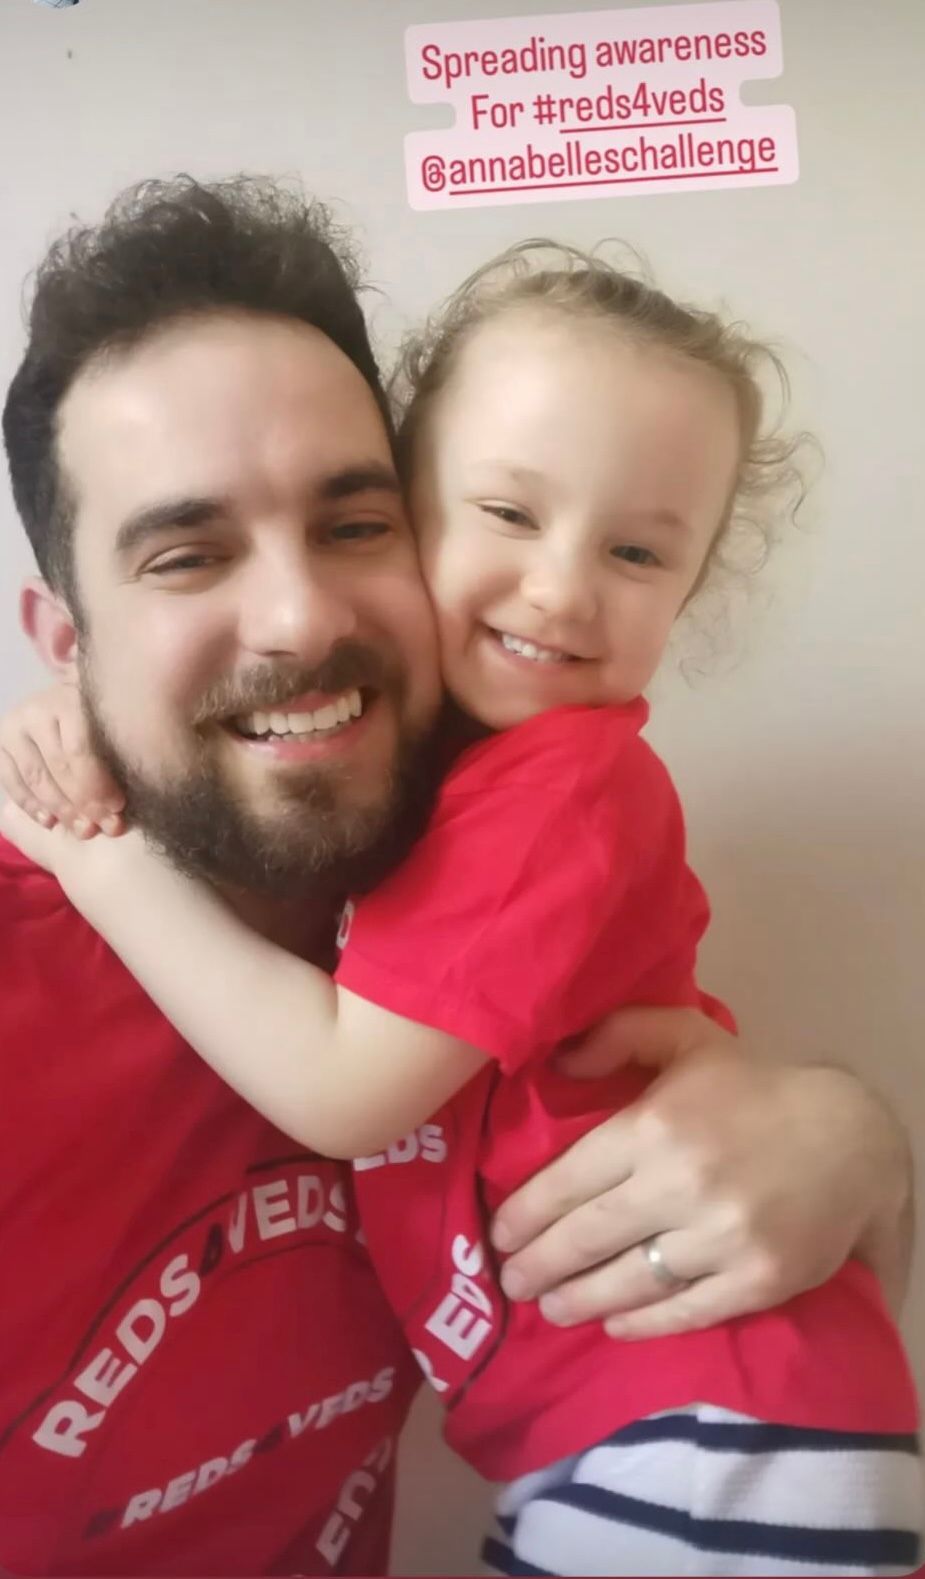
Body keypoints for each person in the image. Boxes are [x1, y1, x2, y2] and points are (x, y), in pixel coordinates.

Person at [0, 177, 915, 1578]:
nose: (300, 616)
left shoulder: (508, 810)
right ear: (64, 642)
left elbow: (365, 1089)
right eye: (186, 555)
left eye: (354, 525)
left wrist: (852, 1138)